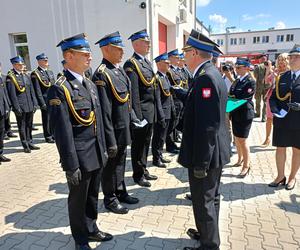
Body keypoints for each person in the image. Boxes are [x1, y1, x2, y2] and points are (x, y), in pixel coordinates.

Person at [48, 33, 113, 250]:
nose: (90, 58)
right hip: (78, 156)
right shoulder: (60, 87)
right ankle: (80, 239)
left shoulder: (90, 83)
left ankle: (92, 228)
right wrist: (70, 164)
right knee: (78, 200)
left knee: (93, 195)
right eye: (85, 54)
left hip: (95, 152)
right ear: (69, 55)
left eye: (89, 54)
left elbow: (99, 121)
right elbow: (62, 131)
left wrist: (103, 149)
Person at [178, 29, 231, 250]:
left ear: (195, 53)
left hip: (206, 154)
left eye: (186, 52)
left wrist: (201, 162)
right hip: (214, 151)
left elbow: (207, 126)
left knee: (204, 201)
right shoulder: (209, 73)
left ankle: (209, 245)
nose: (184, 57)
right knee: (212, 198)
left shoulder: (205, 78)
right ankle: (207, 233)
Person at [92, 31, 139, 214]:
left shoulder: (118, 71)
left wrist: (133, 119)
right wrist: (109, 140)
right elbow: (104, 112)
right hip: (113, 131)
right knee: (110, 167)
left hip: (123, 128)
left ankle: (121, 192)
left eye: (122, 48)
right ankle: (110, 199)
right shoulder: (102, 74)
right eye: (118, 49)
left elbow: (126, 101)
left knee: (120, 164)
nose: (122, 52)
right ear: (105, 49)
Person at [123, 29, 158, 187]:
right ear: (136, 44)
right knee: (138, 145)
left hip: (150, 111)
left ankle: (143, 169)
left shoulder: (146, 62)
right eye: (146, 42)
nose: (149, 44)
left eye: (148, 41)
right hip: (141, 112)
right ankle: (138, 174)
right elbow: (134, 92)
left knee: (146, 143)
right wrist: (137, 116)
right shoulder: (131, 64)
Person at [269, 45, 300, 190]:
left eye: (296, 57)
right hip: (282, 119)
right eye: (291, 57)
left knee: (296, 150)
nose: (292, 59)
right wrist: (275, 110)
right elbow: (273, 98)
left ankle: (292, 177)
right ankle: (280, 176)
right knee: (280, 148)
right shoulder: (282, 77)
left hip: (298, 121)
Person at [6, 56, 39, 153]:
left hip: (29, 105)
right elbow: (12, 94)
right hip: (20, 106)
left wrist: (34, 103)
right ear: (14, 65)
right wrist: (16, 107)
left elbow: (31, 90)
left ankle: (30, 142)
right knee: (22, 126)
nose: (21, 66)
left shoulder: (26, 75)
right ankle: (25, 144)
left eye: (22, 64)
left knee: (29, 125)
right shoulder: (11, 77)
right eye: (19, 65)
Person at [229, 58, 256, 177]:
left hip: (245, 113)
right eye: (236, 67)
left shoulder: (250, 81)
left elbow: (245, 99)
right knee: (237, 138)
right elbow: (231, 94)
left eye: (239, 67)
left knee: (242, 140)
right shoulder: (237, 81)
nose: (236, 69)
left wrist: (230, 102)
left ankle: (246, 165)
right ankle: (240, 159)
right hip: (235, 112)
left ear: (246, 67)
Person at [262, 54, 290, 147]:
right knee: (269, 119)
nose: (281, 61)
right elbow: (266, 81)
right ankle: (267, 138)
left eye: (283, 59)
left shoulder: (289, 72)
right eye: (279, 59)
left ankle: (282, 138)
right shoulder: (275, 71)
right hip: (272, 97)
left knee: (281, 119)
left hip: (284, 99)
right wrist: (268, 69)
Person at [151, 52, 172, 168]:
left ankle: (160, 155)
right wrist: (161, 115)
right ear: (159, 64)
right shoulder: (157, 78)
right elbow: (157, 99)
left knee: (163, 136)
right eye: (166, 63)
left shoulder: (165, 77)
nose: (168, 64)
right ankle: (156, 158)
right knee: (158, 136)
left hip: (167, 111)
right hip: (162, 113)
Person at [31, 53, 56, 143]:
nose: (46, 62)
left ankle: (53, 134)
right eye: (44, 61)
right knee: (46, 119)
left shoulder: (50, 72)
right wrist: (42, 103)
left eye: (47, 60)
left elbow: (53, 86)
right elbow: (37, 90)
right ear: (39, 62)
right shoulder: (35, 74)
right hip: (45, 100)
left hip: (53, 99)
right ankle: (48, 136)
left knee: (53, 118)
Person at [166, 49, 183, 153]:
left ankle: (172, 143)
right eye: (176, 57)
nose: (178, 59)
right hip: (174, 100)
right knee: (171, 125)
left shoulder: (177, 71)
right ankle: (169, 145)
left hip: (179, 101)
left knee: (175, 123)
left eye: (178, 58)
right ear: (170, 58)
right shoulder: (169, 71)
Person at [0, 68, 10, 163]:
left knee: (1, 132)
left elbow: (4, 94)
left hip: (2, 110)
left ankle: (0, 153)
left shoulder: (1, 79)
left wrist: (7, 107)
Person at [254, 54, 268, 121]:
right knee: (265, 102)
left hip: (259, 86)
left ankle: (258, 113)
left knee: (258, 101)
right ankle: (264, 117)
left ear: (260, 60)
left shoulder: (258, 67)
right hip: (267, 87)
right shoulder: (270, 66)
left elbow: (255, 76)